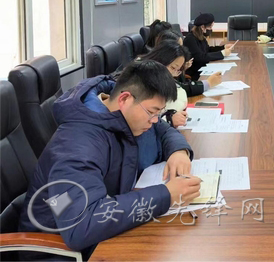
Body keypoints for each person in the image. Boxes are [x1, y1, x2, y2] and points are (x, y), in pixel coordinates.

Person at [19, 60, 201, 255]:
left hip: (100, 231)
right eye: (152, 112)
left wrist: (178, 151)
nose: (155, 120)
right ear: (124, 99)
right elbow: (81, 225)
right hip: (57, 250)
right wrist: (166, 195)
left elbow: (162, 129)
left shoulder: (118, 112)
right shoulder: (77, 145)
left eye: (159, 113)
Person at [135, 41, 221, 128]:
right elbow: (143, 120)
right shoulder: (142, 78)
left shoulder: (159, 76)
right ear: (161, 59)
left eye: (178, 70)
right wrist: (169, 119)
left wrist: (170, 115)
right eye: (173, 68)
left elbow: (179, 91)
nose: (174, 74)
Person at [184, 13, 233, 80]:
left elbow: (207, 50)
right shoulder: (190, 39)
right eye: (210, 27)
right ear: (202, 27)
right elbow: (200, 57)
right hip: (196, 73)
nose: (211, 29)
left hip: (203, 68)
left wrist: (223, 47)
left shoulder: (200, 36)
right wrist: (222, 53)